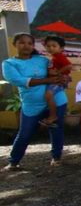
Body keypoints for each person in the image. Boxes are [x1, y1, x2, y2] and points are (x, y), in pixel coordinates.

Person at [2, 33, 67, 170]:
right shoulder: (9, 64)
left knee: (56, 130)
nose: (26, 46)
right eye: (22, 43)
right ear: (15, 44)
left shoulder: (42, 60)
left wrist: (63, 78)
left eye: (29, 43)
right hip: (31, 105)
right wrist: (47, 80)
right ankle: (14, 161)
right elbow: (17, 80)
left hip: (56, 101)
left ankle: (56, 157)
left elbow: (57, 70)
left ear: (33, 46)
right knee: (25, 133)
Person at [40, 36, 73, 128]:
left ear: (61, 48)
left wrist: (58, 72)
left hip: (59, 79)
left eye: (54, 46)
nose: (51, 48)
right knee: (48, 95)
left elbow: (69, 66)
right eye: (48, 46)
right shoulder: (54, 57)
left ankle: (53, 116)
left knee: (48, 94)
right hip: (56, 79)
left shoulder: (59, 56)